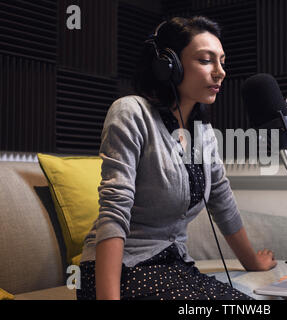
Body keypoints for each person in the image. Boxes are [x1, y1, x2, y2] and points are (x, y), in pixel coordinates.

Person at [76, 16, 276, 301]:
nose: (220, 72)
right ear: (168, 65)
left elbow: (221, 199)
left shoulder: (202, 132)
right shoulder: (130, 112)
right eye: (206, 60)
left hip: (175, 267)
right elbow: (114, 211)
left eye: (222, 61)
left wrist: (252, 263)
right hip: (122, 271)